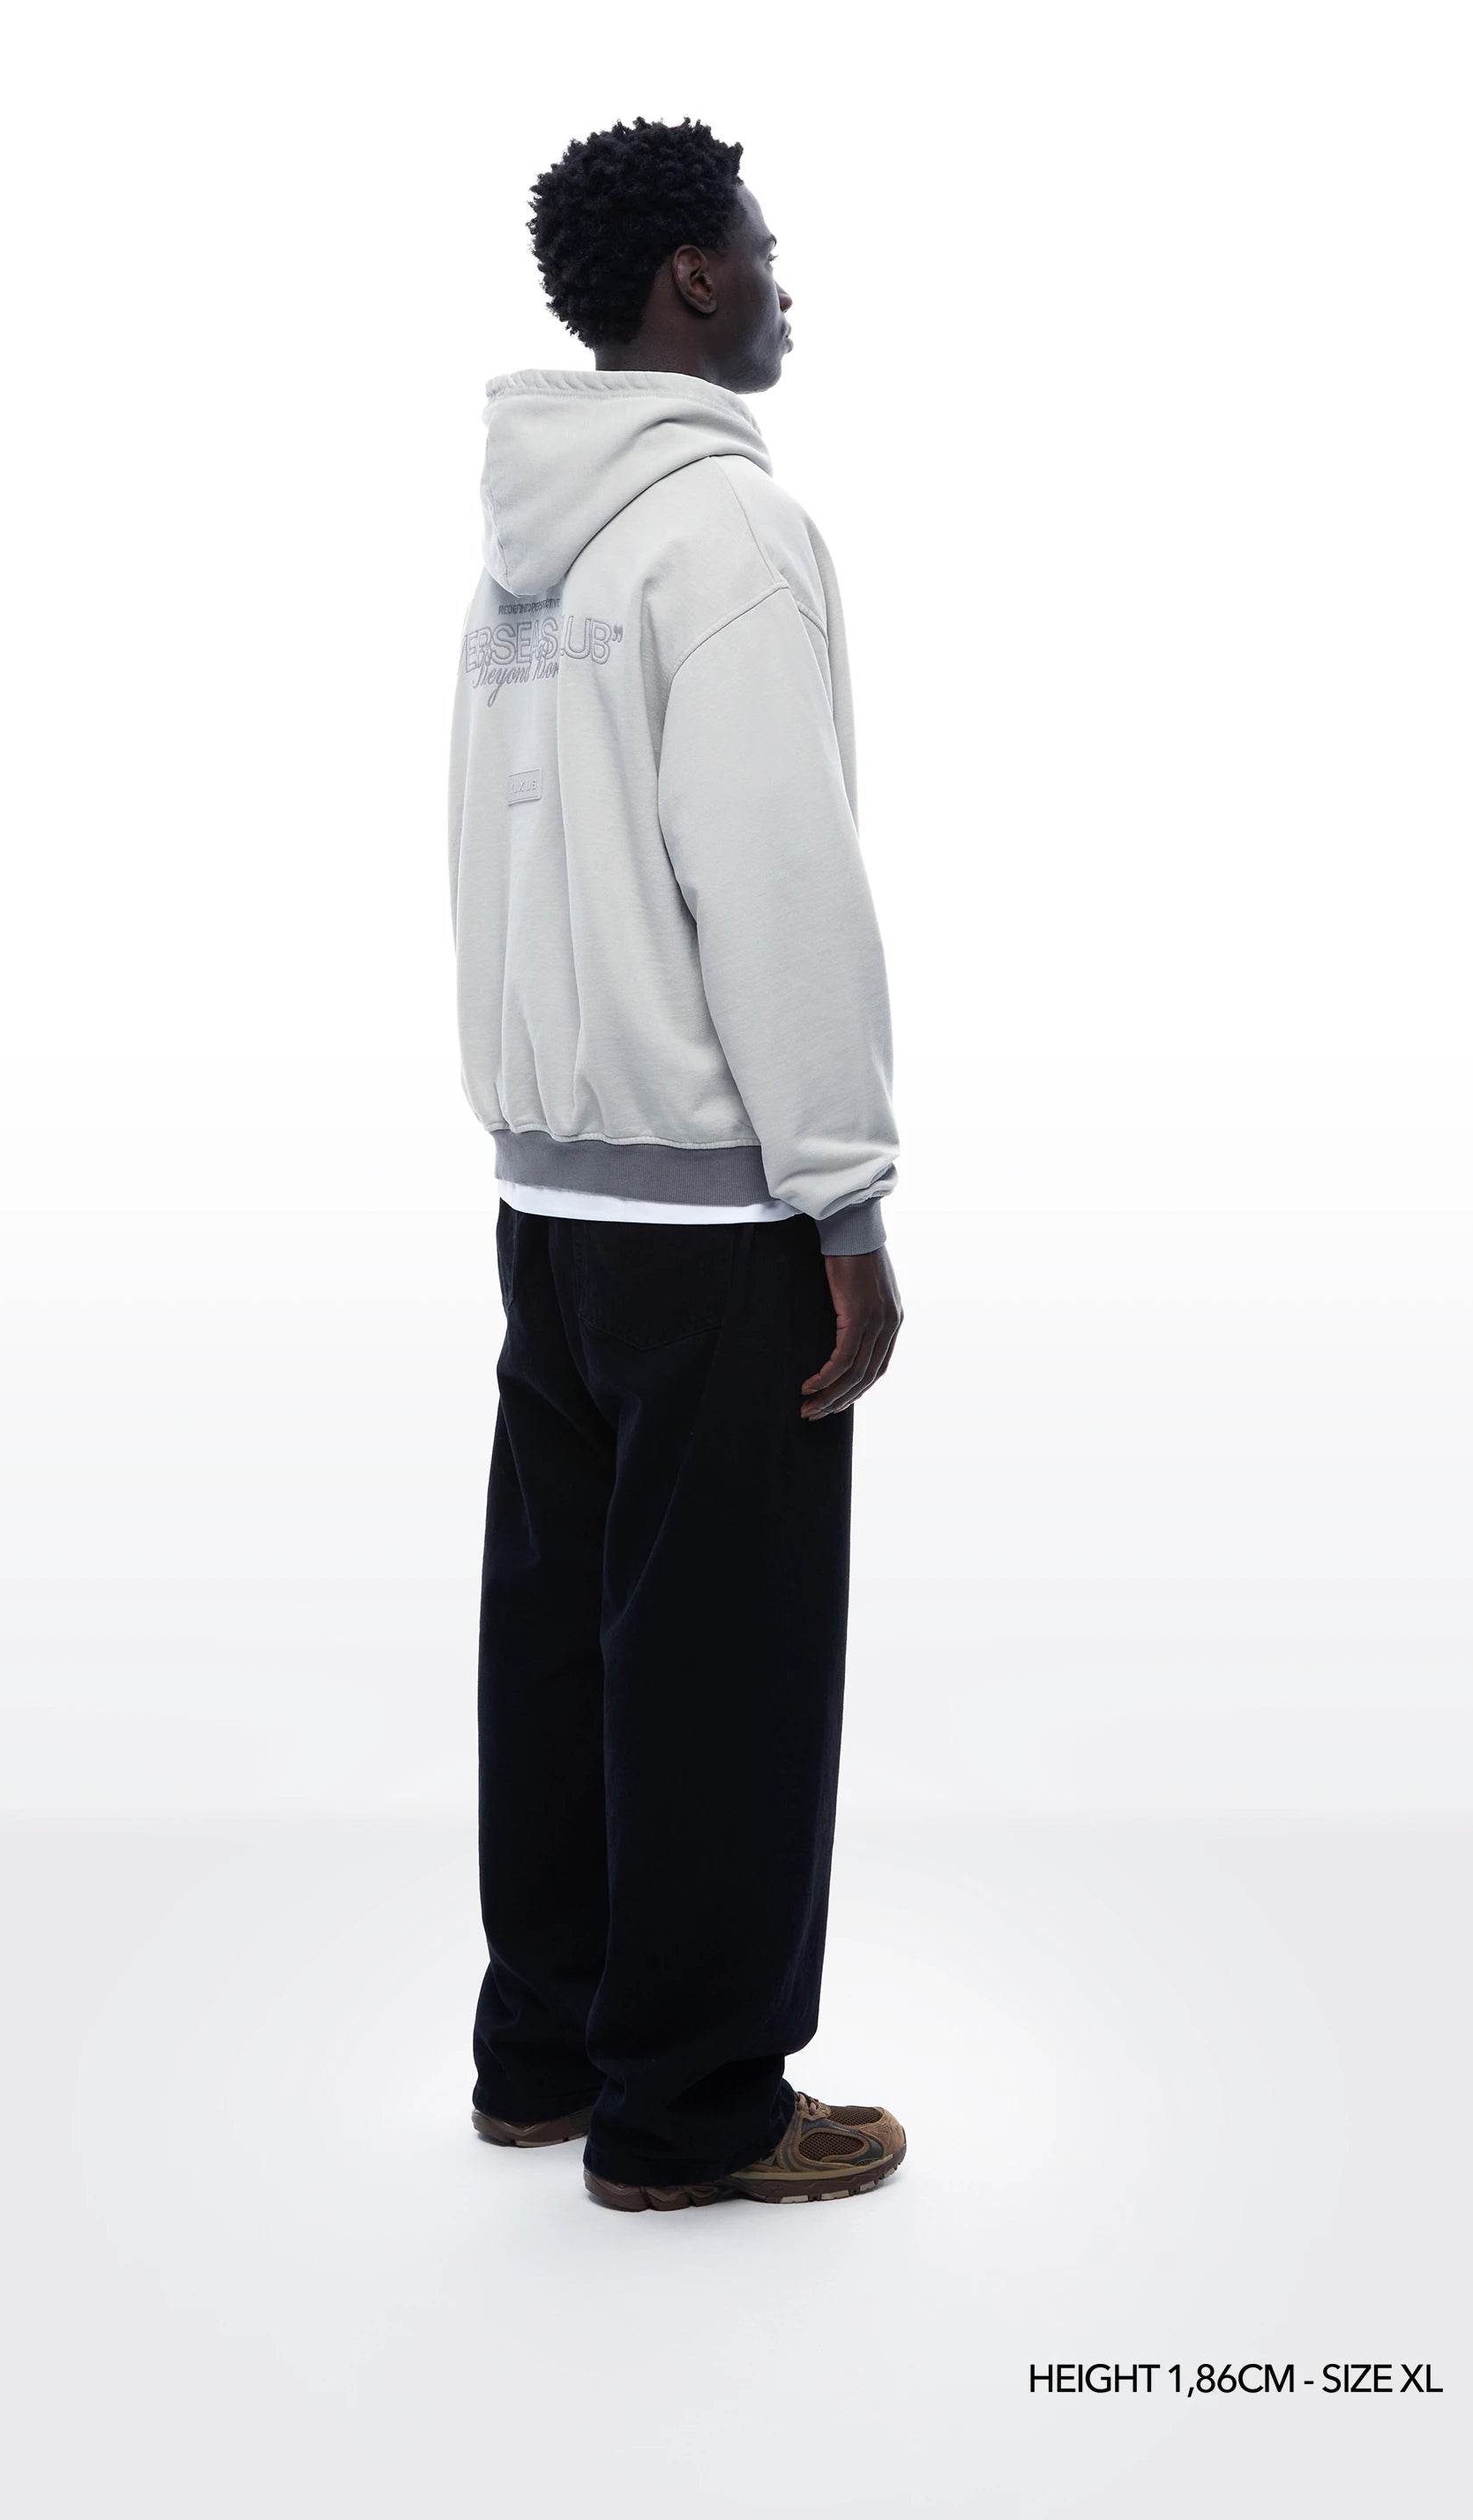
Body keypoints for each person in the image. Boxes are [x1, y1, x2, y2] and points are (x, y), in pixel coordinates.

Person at [447, 116, 906, 2211]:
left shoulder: (519, 562)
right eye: (763, 247)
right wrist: (843, 1196)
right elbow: (776, 877)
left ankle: (545, 2053)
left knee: (561, 1643)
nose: (786, 282)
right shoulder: (723, 531)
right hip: (710, 1213)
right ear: (693, 280)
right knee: (718, 1662)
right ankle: (693, 2106)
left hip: (551, 1198)